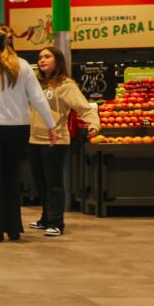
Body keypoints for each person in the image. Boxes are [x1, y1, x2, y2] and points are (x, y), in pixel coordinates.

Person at [0, 26, 57, 242]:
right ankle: (13, 229)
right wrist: (51, 125)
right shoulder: (23, 66)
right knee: (12, 176)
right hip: (18, 128)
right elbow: (38, 98)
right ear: (11, 40)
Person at [28, 47, 100, 237]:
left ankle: (56, 222)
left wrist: (94, 123)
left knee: (54, 183)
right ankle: (45, 218)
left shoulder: (66, 84)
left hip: (56, 139)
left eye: (47, 56)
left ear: (57, 60)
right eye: (40, 57)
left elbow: (83, 107)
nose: (42, 60)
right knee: (40, 182)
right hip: (33, 138)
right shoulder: (35, 83)